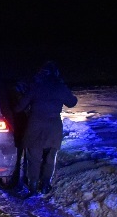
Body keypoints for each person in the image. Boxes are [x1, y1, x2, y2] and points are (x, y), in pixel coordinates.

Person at [13, 61, 77, 196]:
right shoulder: (60, 87)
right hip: (53, 128)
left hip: (34, 127)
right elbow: (72, 102)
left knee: (33, 158)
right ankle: (46, 185)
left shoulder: (36, 86)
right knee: (50, 158)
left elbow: (19, 107)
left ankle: (33, 186)